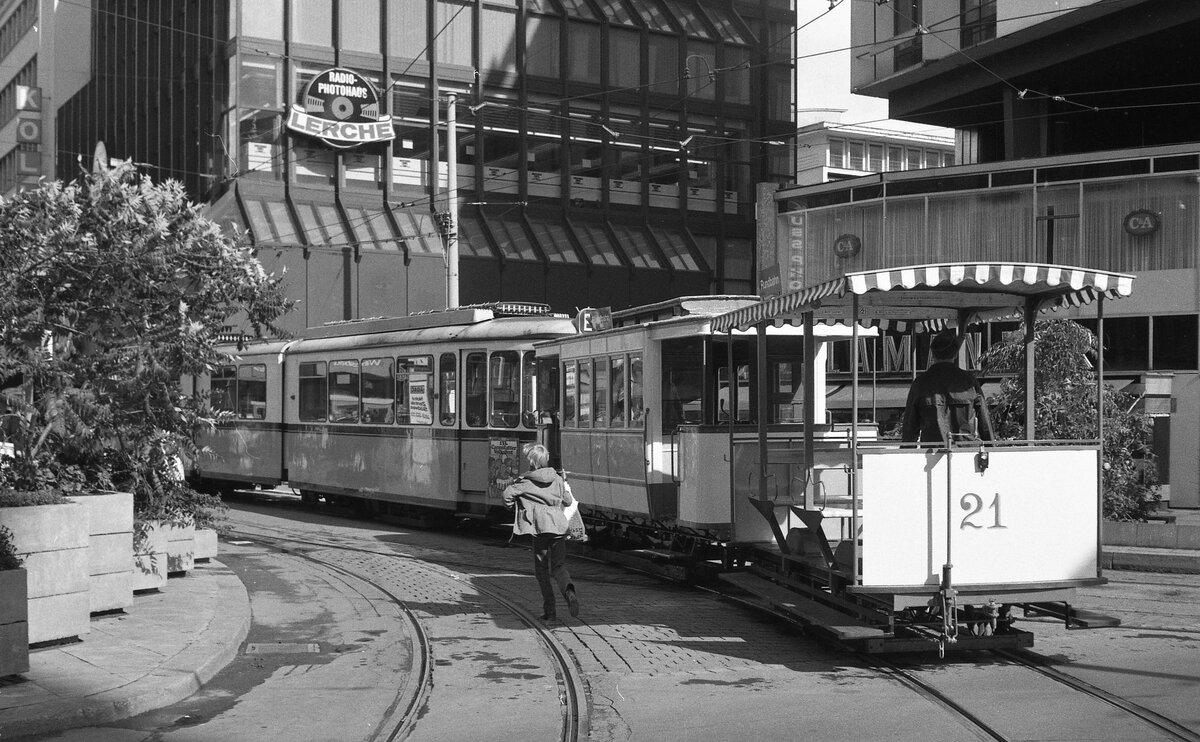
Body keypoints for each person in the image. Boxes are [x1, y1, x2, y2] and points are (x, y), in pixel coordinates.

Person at [502, 443, 580, 621]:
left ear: (531, 461)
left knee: (542, 571)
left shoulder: (526, 481)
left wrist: (514, 507)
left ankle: (550, 611)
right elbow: (567, 501)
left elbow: (506, 495)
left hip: (540, 529)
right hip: (559, 527)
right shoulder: (556, 478)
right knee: (559, 566)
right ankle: (569, 592)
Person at [900, 330, 994, 445]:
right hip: (965, 452)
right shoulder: (969, 381)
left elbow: (910, 426)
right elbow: (984, 422)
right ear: (955, 354)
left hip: (932, 453)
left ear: (933, 355)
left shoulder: (920, 383)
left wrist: (908, 453)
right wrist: (991, 447)